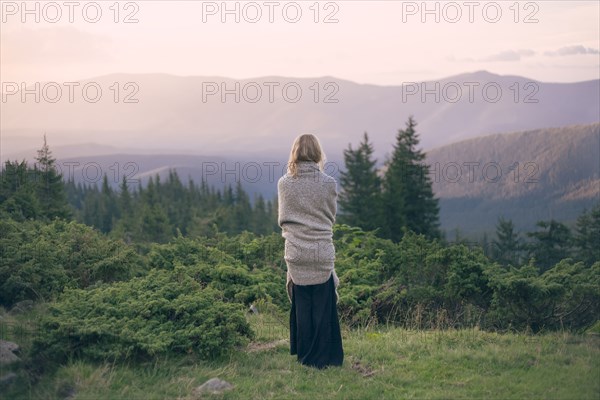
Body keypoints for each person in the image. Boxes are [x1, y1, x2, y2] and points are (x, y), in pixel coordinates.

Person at [277, 133, 344, 369]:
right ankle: (325, 358)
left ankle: (305, 357)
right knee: (323, 305)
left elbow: (283, 219)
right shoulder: (329, 183)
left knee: (303, 306)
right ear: (317, 153)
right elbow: (331, 217)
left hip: (296, 251)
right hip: (321, 249)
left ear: (295, 153)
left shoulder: (284, 183)